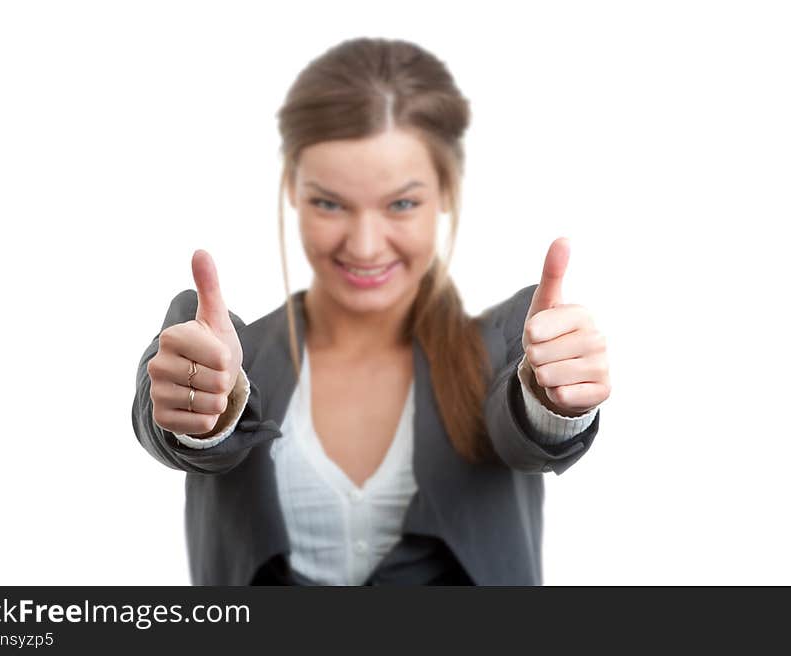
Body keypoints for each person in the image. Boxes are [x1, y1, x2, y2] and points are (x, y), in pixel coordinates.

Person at [131, 37, 611, 585]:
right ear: (293, 189)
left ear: (446, 192)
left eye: (402, 203)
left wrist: (555, 398)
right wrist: (200, 410)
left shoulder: (506, 345)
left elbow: (522, 425)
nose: (363, 246)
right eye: (330, 202)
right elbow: (171, 414)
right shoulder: (234, 359)